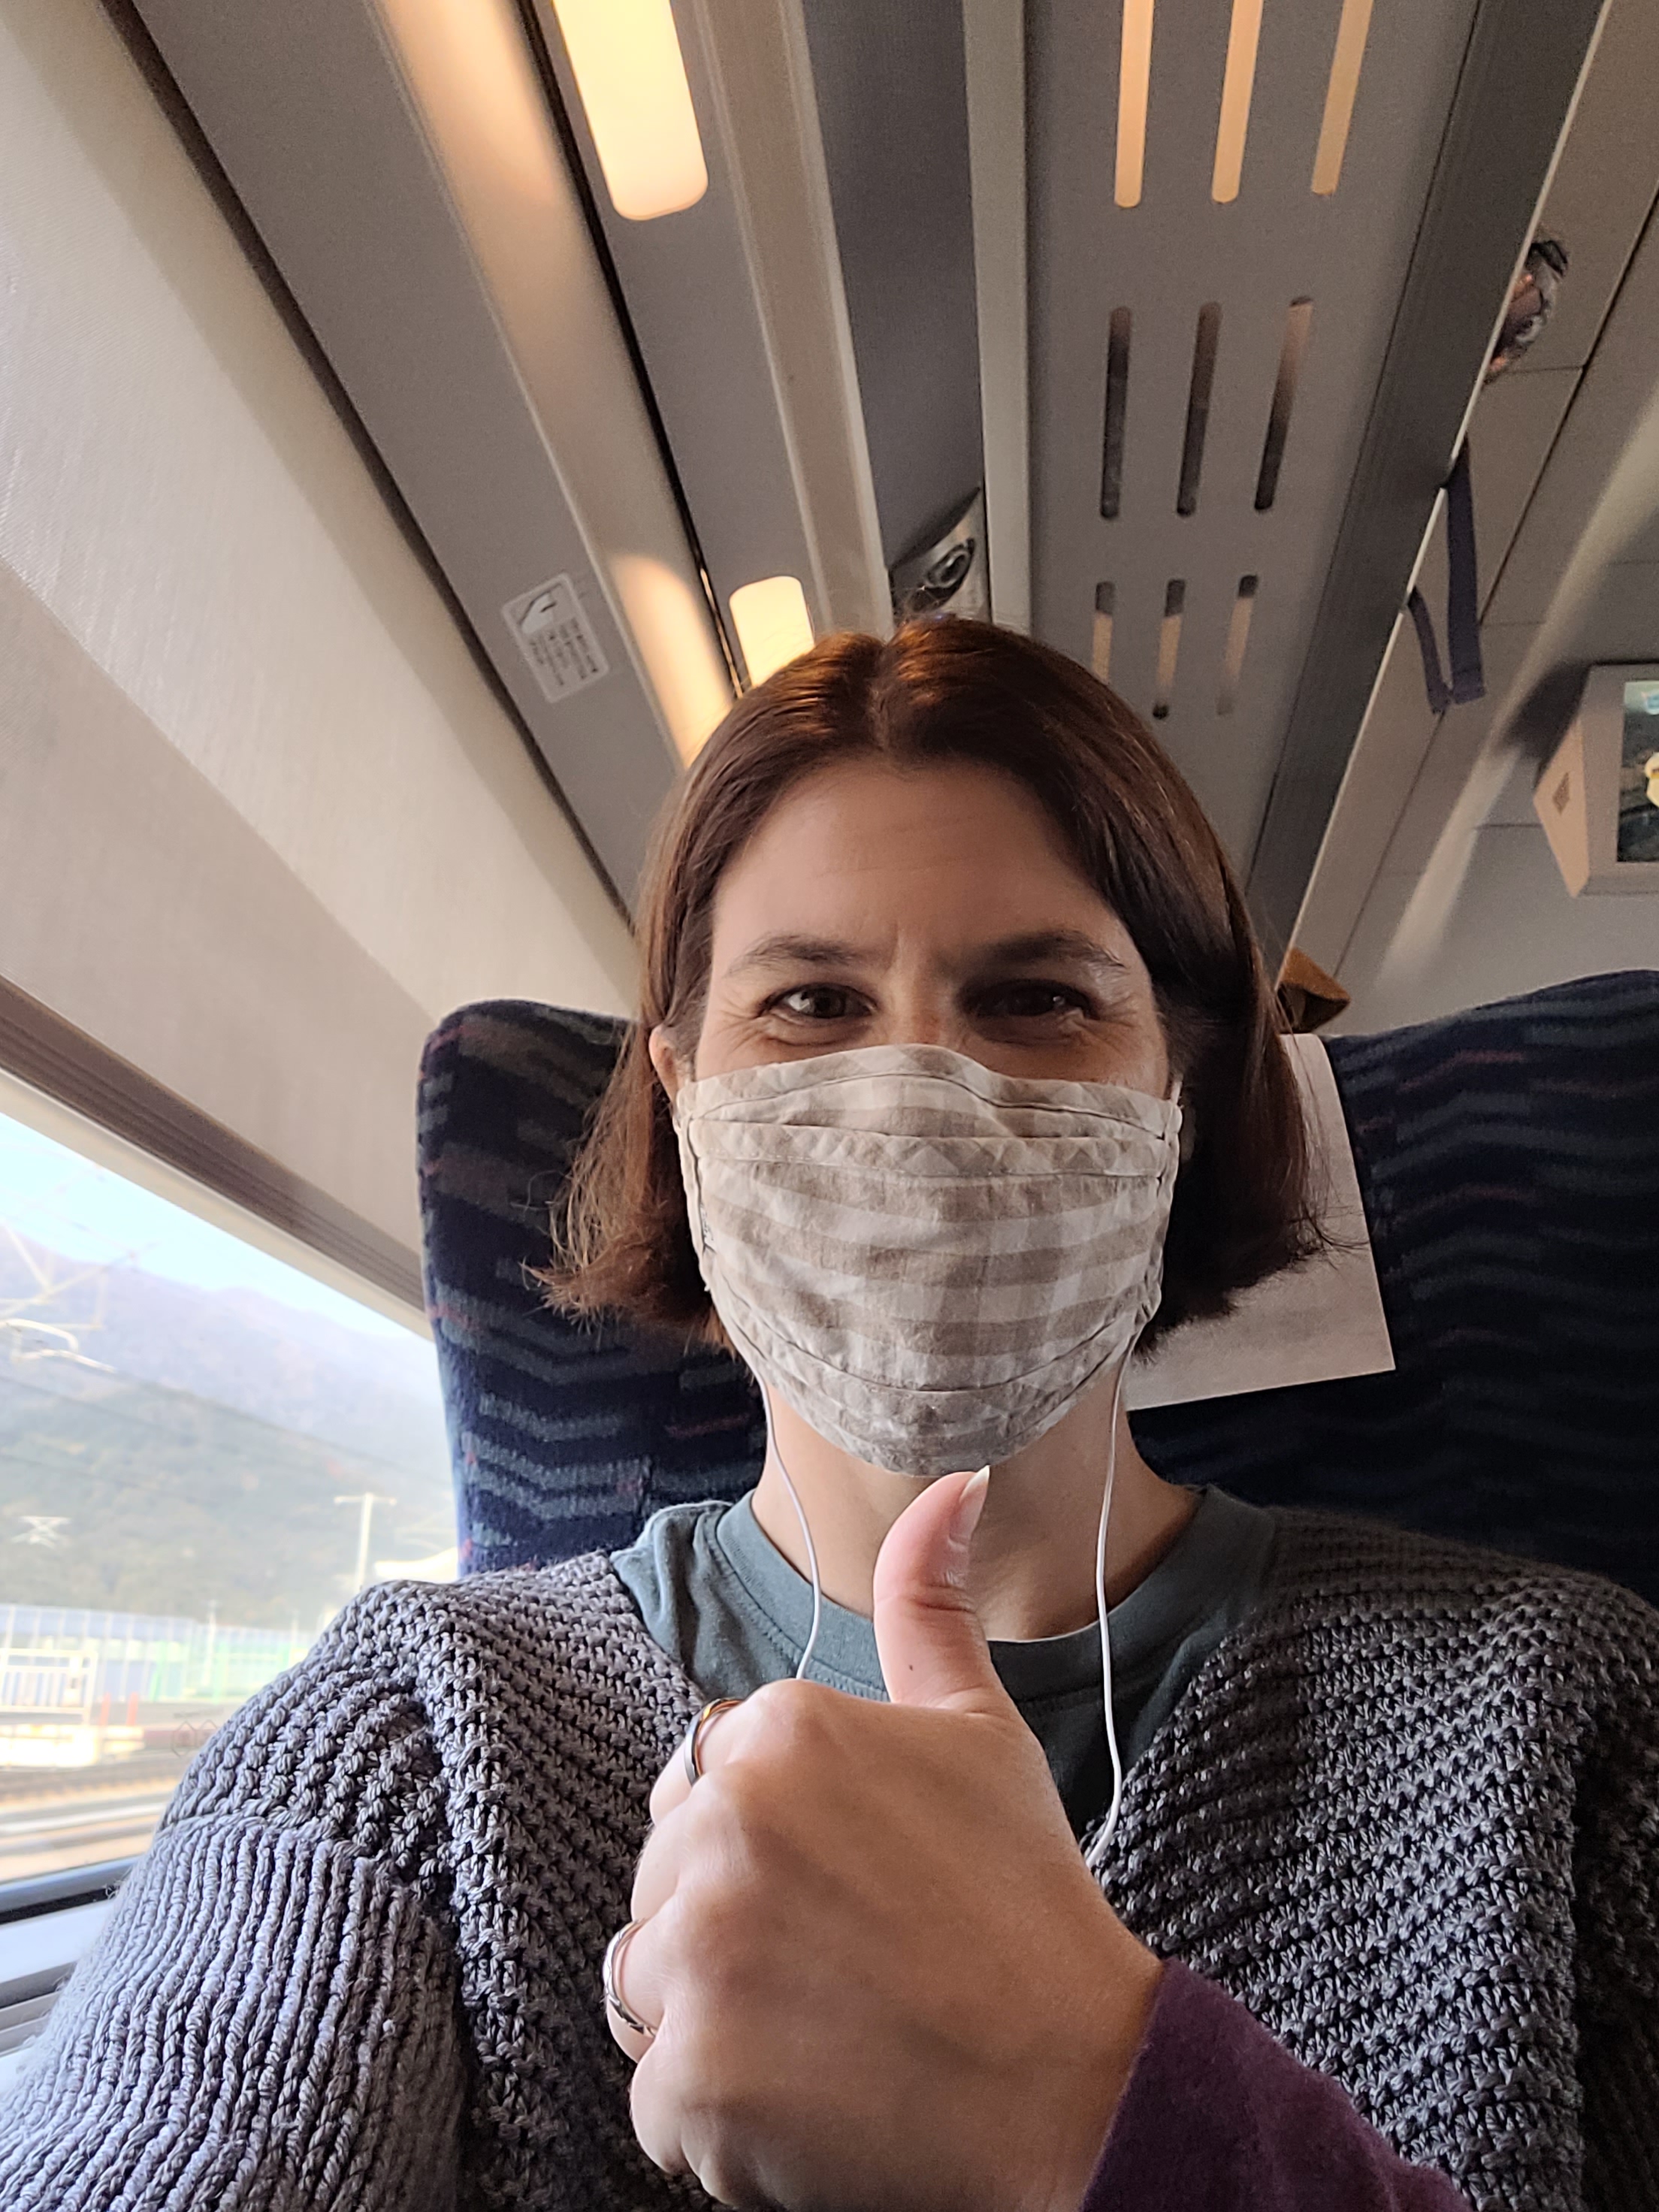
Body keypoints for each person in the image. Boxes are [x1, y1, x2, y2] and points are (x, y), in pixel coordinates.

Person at [1, 621, 1653, 2210]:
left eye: (1036, 998)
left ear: (1183, 1096)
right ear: (684, 1100)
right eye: (810, 1005)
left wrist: (1096, 2113)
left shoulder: (1568, 1714)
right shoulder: (416, 1740)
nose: (916, 1095)